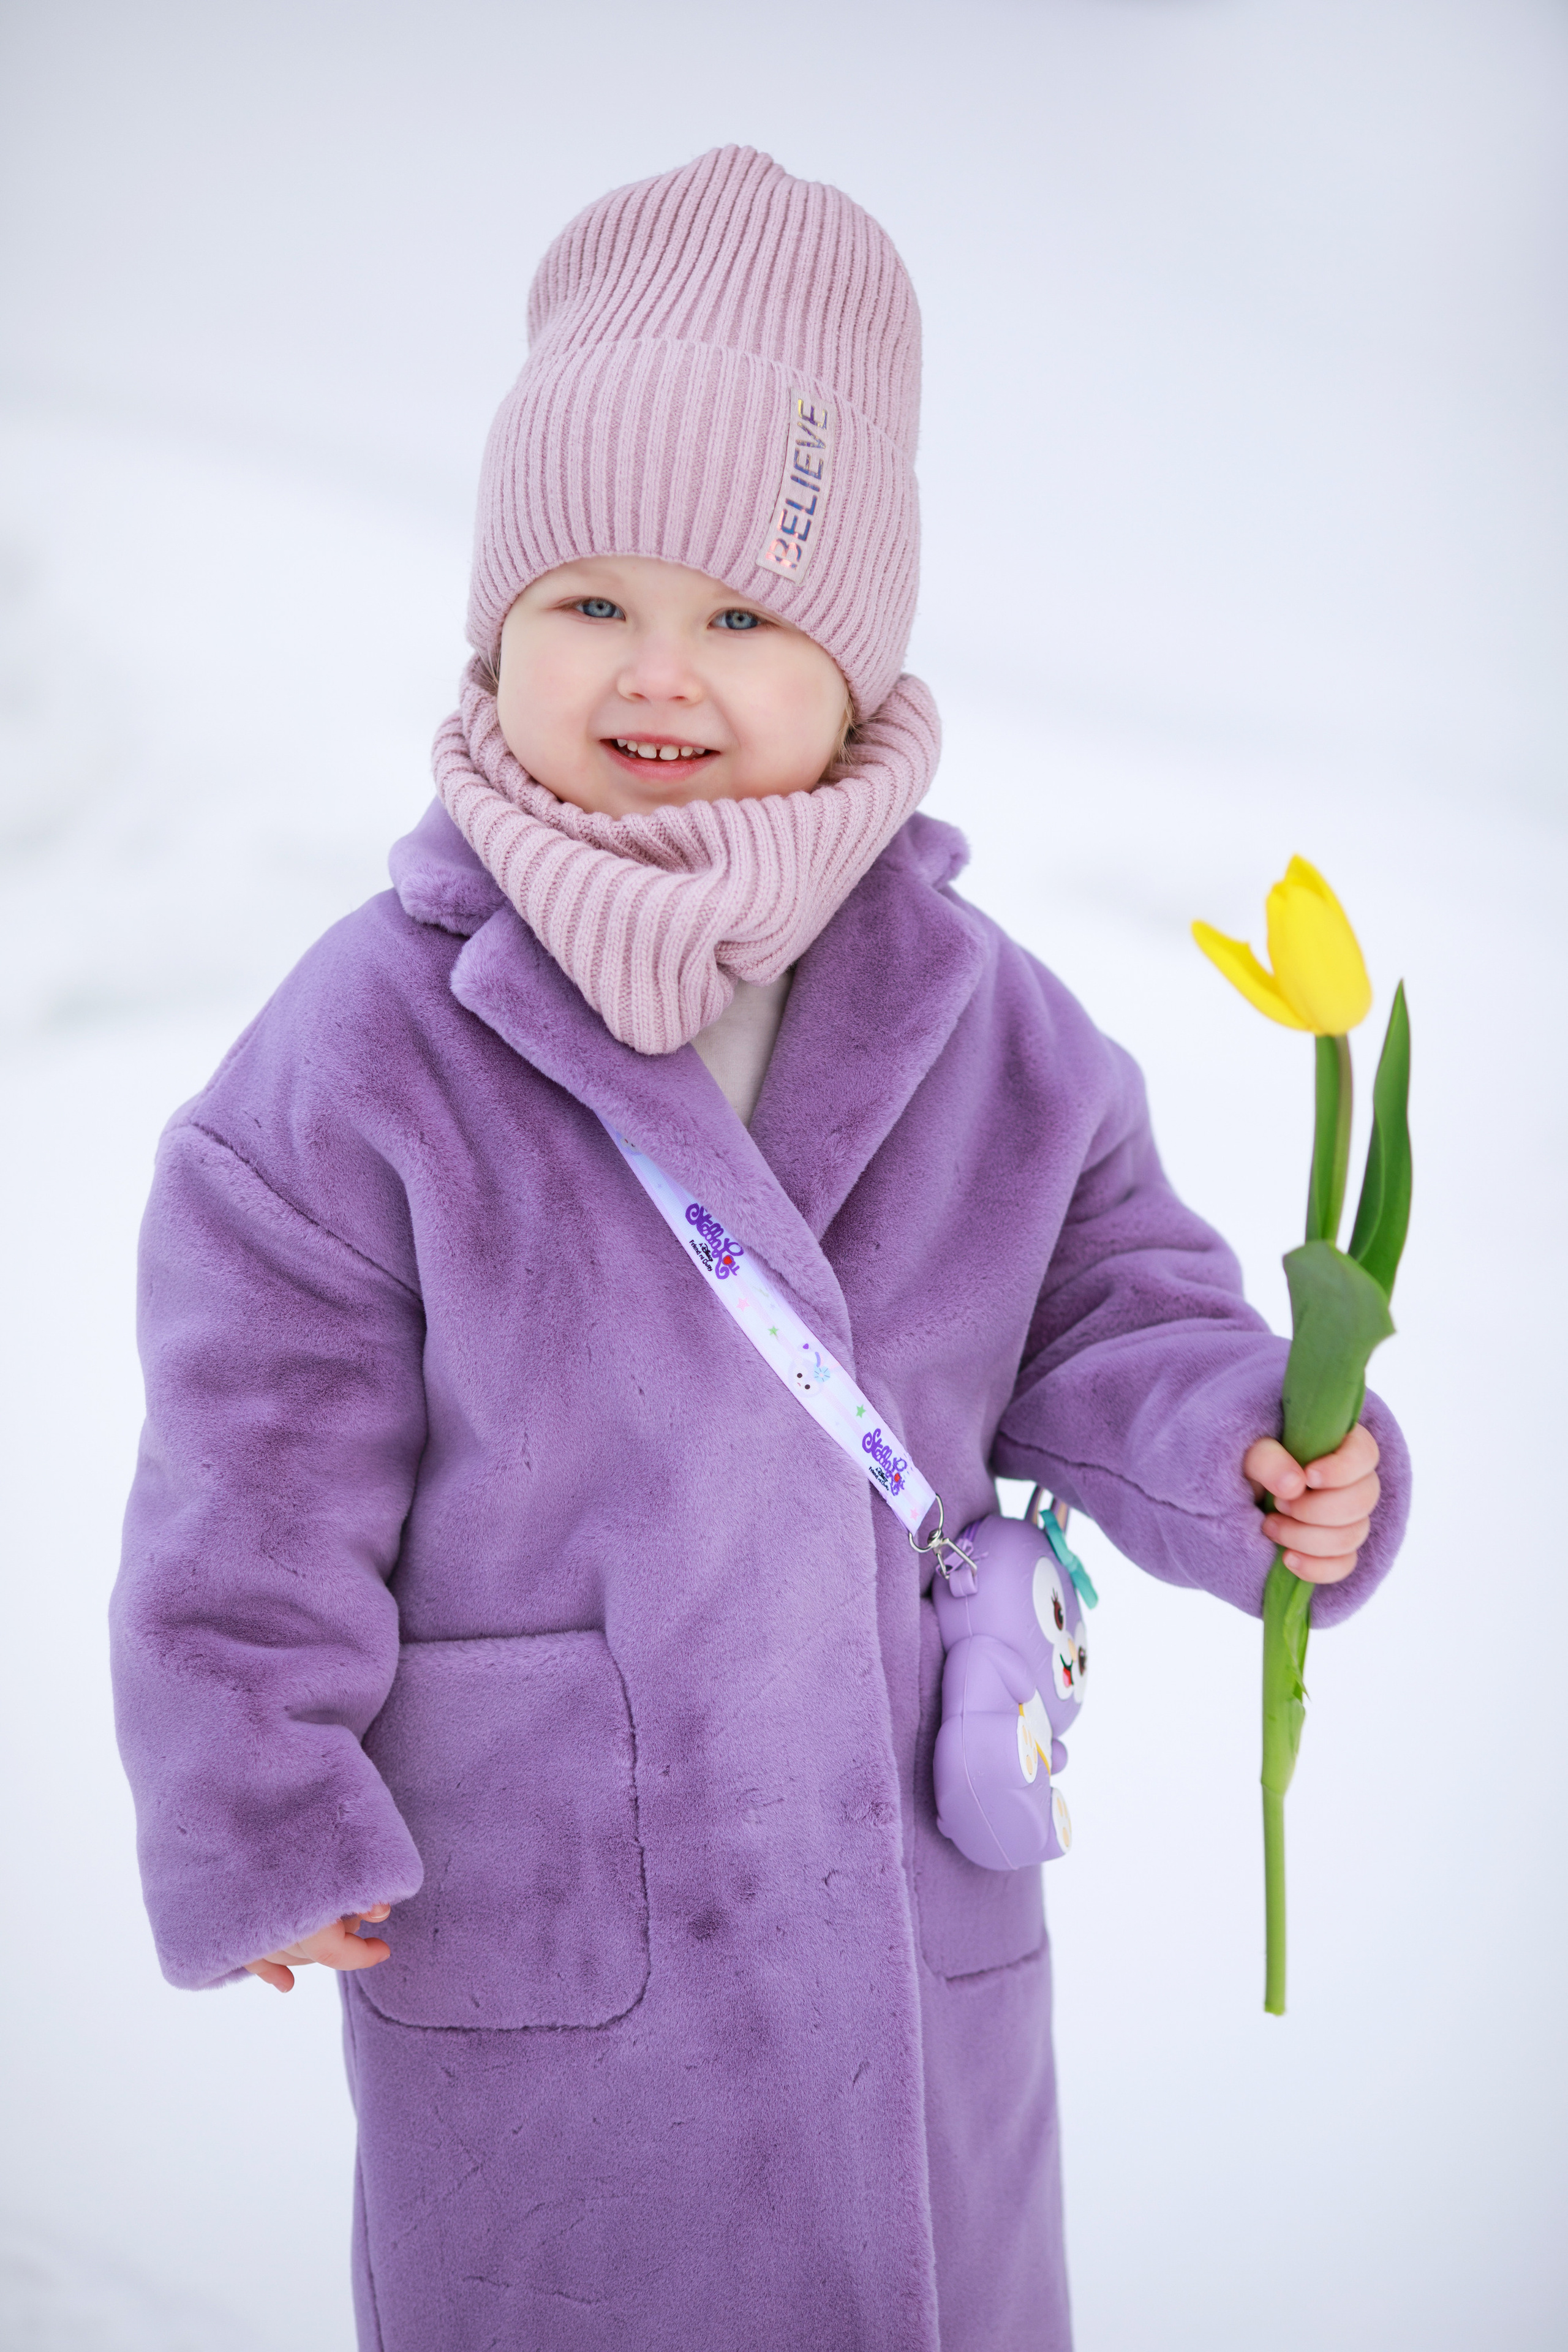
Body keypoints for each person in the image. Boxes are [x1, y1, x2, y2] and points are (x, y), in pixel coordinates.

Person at [110, 146, 1408, 2352]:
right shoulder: (377, 1040)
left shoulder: (978, 1018)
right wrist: (257, 1783)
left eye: (742, 613)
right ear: (495, 625)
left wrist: (1252, 1455)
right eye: (588, 601)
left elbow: (1119, 1302)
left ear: (859, 658)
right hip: (556, 1939)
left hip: (905, 1927)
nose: (658, 673)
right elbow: (254, 1449)